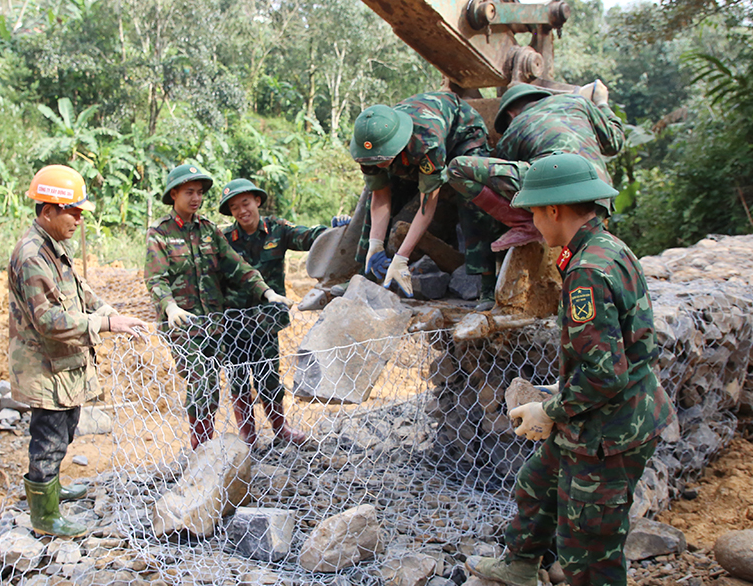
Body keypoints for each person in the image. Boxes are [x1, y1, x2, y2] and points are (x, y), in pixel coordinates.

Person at [466, 153, 676, 586]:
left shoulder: (586, 272)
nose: (532, 223)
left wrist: (551, 409)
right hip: (606, 415)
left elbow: (606, 373)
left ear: (555, 210)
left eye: (534, 213)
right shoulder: (607, 248)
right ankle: (521, 563)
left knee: (589, 537)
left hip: (610, 430)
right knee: (537, 481)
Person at [9, 165, 148, 538]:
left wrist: (111, 313)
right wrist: (104, 324)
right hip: (43, 366)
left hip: (61, 364)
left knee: (66, 428)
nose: (78, 219)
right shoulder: (32, 256)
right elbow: (48, 320)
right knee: (49, 436)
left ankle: (52, 489)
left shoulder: (54, 248)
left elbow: (80, 291)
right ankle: (44, 515)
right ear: (48, 211)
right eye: (72, 211)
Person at [143, 162, 291, 450]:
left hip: (214, 323)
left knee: (221, 382)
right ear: (174, 194)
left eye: (199, 192)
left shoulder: (209, 230)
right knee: (203, 383)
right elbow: (155, 278)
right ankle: (201, 449)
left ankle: (217, 448)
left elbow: (237, 267)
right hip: (182, 325)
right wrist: (170, 307)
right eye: (189, 192)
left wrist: (267, 292)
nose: (196, 198)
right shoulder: (160, 233)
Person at [217, 178, 345, 445]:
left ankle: (280, 429)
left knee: (268, 377)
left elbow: (309, 237)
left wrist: (336, 229)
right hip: (234, 322)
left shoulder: (277, 229)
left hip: (265, 321)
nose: (241, 211)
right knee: (238, 379)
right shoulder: (225, 239)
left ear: (257, 201)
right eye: (234, 207)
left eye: (245, 203)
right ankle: (248, 435)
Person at [349, 92, 498, 305]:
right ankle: (365, 276)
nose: (378, 165)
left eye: (382, 158)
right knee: (375, 195)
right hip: (407, 148)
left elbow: (427, 205)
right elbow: (380, 196)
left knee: (472, 193)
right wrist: (375, 243)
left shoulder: (427, 143)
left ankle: (488, 284)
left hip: (462, 133)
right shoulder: (368, 148)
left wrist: (402, 257)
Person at [448, 81, 625, 259]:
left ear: (510, 114)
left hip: (555, 192)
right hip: (599, 195)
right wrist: (602, 102)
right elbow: (615, 143)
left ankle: (526, 224)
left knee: (457, 168)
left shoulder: (514, 128)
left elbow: (501, 185)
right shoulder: (578, 103)